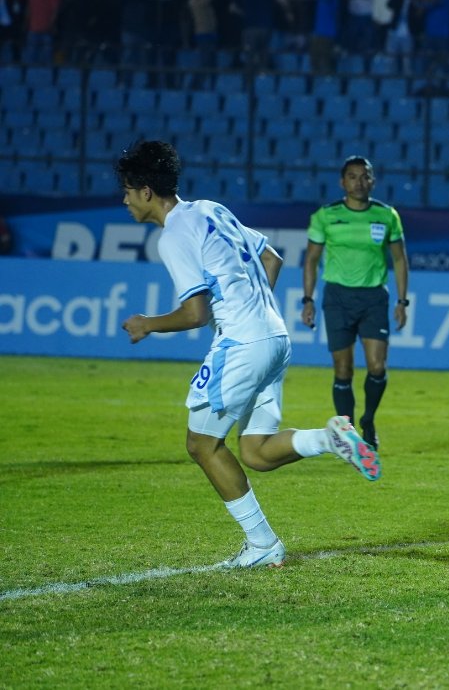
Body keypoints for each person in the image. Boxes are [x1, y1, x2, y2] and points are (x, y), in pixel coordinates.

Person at [117, 141, 382, 569]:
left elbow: (196, 313)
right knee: (256, 452)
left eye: (128, 191)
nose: (125, 200)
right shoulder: (211, 209)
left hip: (243, 344)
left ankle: (262, 545)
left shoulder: (174, 235)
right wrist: (254, 312)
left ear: (146, 191)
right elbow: (271, 258)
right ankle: (330, 438)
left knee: (201, 445)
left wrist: (148, 323)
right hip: (274, 337)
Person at [301, 156, 409, 451]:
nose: (359, 182)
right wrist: (308, 299)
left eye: (365, 176)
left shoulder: (387, 215)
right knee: (343, 369)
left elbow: (400, 259)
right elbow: (311, 260)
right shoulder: (326, 215)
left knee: (377, 366)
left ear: (373, 181)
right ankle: (347, 434)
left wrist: (402, 300)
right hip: (337, 298)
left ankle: (369, 419)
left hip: (374, 298)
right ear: (342, 182)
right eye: (352, 176)